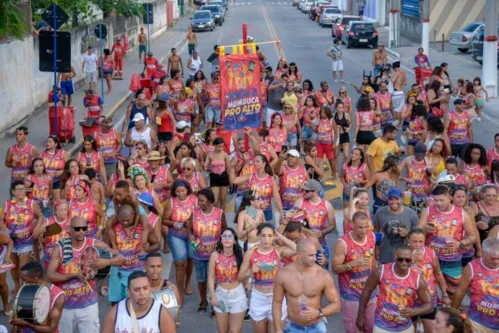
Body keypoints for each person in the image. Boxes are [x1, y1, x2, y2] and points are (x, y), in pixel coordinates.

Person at [46, 216, 124, 333]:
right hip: (65, 306)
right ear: (69, 229)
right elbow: (50, 275)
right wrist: (74, 275)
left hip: (88, 306)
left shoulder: (94, 244)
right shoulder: (60, 248)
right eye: (77, 229)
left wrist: (106, 262)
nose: (81, 232)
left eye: (84, 228)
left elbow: (120, 257)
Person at [418, 185, 477, 300]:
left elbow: (473, 236)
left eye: (441, 200)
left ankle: (453, 313)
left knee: (454, 291)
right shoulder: (427, 211)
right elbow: (416, 234)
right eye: (435, 200)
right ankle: (434, 312)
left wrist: (460, 243)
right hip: (431, 258)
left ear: (449, 197)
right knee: (426, 288)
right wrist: (424, 230)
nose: (438, 203)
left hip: (452, 259)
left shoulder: (462, 214)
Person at [357, 244, 434, 333]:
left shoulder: (417, 279)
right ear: (394, 257)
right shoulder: (381, 271)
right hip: (381, 325)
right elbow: (367, 291)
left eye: (407, 260)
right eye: (400, 259)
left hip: (405, 327)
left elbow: (429, 305)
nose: (404, 262)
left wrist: (415, 311)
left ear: (412, 259)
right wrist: (360, 315)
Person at [238, 223, 296, 333]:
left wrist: (281, 237)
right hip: (258, 298)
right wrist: (250, 271)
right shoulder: (250, 253)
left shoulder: (279, 251)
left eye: (270, 236)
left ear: (274, 236)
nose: (266, 239)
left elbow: (298, 249)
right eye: (263, 235)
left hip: (277, 297)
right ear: (258, 236)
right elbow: (240, 277)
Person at [273, 239, 341, 333]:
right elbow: (277, 302)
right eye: (311, 255)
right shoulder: (284, 274)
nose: (315, 258)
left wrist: (318, 313)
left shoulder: (323, 275)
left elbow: (336, 305)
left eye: (315, 254)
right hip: (292, 327)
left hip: (317, 327)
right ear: (300, 254)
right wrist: (278, 328)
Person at [332, 212, 376, 333]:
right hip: (351, 293)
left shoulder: (372, 236)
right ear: (351, 225)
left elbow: (374, 261)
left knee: (371, 327)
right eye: (360, 227)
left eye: (366, 226)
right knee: (354, 329)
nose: (364, 230)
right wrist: (353, 264)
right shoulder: (343, 243)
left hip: (370, 291)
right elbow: (335, 269)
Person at [108, 204, 160, 304]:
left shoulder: (143, 228)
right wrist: (111, 250)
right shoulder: (113, 228)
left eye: (128, 220)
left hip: (137, 271)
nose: (125, 223)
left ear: (134, 216)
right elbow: (106, 247)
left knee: (136, 304)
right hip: (118, 271)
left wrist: (148, 248)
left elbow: (157, 244)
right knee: (116, 305)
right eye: (122, 220)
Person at [187, 188, 227, 315]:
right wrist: (190, 235)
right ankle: (203, 301)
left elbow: (225, 230)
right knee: (202, 280)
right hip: (199, 255)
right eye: (198, 200)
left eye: (202, 200)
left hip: (215, 255)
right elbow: (189, 228)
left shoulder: (220, 213)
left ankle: (214, 303)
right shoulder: (194, 213)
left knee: (216, 281)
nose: (199, 203)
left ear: (210, 201)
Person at [1, 181, 43, 292]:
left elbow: (40, 217)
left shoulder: (31, 203)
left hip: (26, 240)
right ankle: (17, 285)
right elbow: (1, 219)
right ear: (13, 192)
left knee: (22, 267)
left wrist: (37, 228)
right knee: (13, 266)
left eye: (22, 189)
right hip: (11, 240)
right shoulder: (7, 204)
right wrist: (4, 228)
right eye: (18, 189)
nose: (20, 191)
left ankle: (23, 288)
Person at [102, 270, 177, 333]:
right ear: (128, 291)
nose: (142, 293)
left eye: (145, 288)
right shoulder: (114, 314)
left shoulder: (162, 314)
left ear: (150, 288)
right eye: (137, 290)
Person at [452, 238, 499, 332]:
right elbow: (460, 291)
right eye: (492, 258)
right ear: (483, 253)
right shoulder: (472, 267)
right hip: (476, 322)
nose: (496, 262)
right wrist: (454, 313)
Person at [408, 228, 451, 332]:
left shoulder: (431, 254)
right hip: (409, 300)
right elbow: (398, 275)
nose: (418, 245)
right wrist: (412, 260)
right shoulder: (403, 254)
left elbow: (438, 274)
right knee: (411, 330)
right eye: (415, 241)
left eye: (421, 241)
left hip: (428, 299)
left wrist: (444, 294)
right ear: (408, 240)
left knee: (431, 329)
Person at [162, 180, 197, 305]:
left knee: (191, 259)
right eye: (178, 191)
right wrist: (174, 223)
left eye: (183, 190)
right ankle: (179, 293)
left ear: (187, 190)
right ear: (174, 192)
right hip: (176, 236)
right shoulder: (171, 202)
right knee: (180, 263)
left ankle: (187, 282)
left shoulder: (195, 200)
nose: (181, 193)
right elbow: (164, 219)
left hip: (192, 236)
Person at [208, 228, 247, 333]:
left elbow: (245, 276)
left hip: (238, 296)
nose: (227, 238)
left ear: (234, 240)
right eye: (224, 236)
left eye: (230, 236)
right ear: (221, 239)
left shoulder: (240, 254)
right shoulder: (215, 255)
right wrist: (212, 295)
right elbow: (211, 277)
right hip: (220, 295)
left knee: (235, 331)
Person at [10, 261, 65, 333]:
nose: (21, 282)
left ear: (34, 279)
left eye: (23, 279)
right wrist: (15, 322)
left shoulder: (58, 296)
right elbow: (19, 318)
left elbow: (51, 329)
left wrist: (28, 324)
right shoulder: (25, 288)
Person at [293, 179, 336, 264]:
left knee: (321, 271)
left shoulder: (327, 205)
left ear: (315, 192)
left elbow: (332, 225)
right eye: (303, 190)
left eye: (306, 191)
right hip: (303, 245)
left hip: (321, 244)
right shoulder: (300, 202)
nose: (303, 192)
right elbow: (293, 223)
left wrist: (322, 232)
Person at [373, 187, 419, 264]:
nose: (394, 202)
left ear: (401, 199)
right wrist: (376, 249)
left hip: (405, 257)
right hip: (386, 254)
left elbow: (418, 233)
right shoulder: (380, 212)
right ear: (387, 200)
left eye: (396, 199)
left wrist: (407, 233)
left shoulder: (411, 213)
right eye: (391, 199)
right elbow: (376, 231)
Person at [0, 230, 13, 316]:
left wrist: (8, 255)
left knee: (1, 284)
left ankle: (6, 304)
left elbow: (9, 241)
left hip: (0, 257)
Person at [392, 61, 407, 129]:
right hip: (401, 92)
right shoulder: (403, 73)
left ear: (394, 67)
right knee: (401, 109)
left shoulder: (396, 73)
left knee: (397, 110)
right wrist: (400, 83)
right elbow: (405, 83)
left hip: (396, 93)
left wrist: (390, 77)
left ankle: (397, 124)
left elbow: (393, 80)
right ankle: (400, 125)